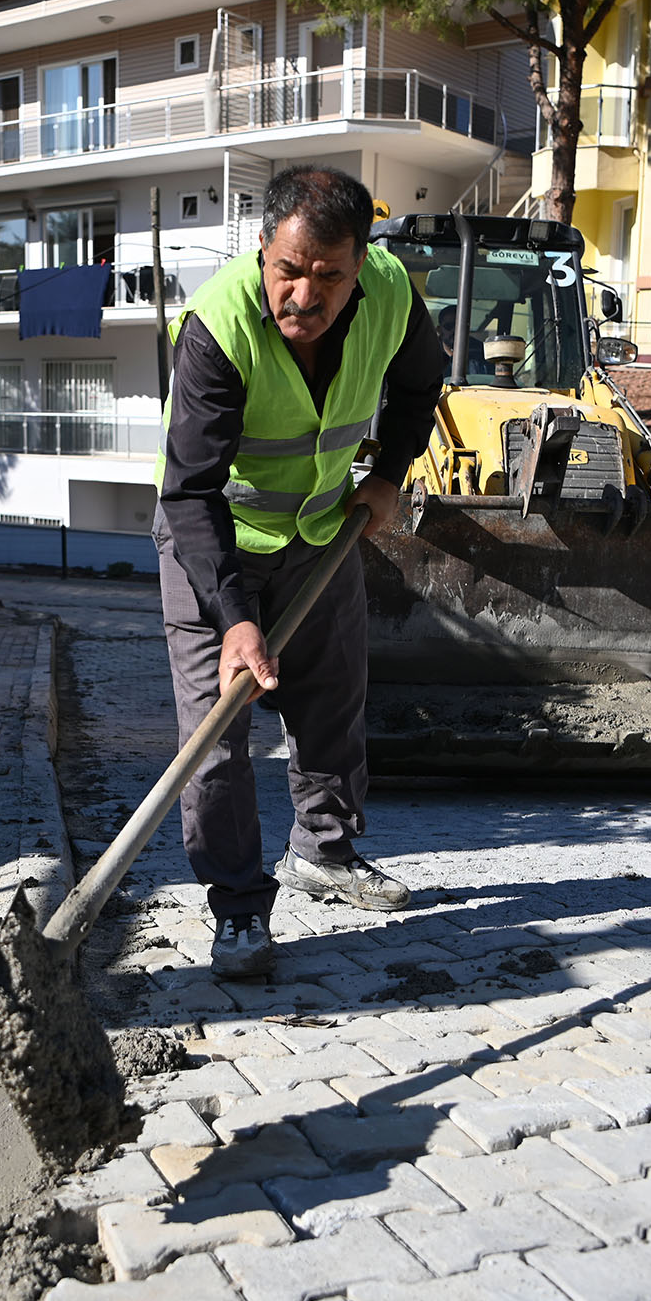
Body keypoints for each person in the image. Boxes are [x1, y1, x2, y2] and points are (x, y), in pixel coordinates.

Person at [154, 165, 443, 978]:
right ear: (261, 250)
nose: (304, 296)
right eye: (287, 270)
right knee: (217, 735)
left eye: (328, 276)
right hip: (212, 542)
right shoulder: (217, 328)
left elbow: (422, 381)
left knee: (332, 700)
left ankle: (325, 851)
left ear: (359, 265)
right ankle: (240, 908)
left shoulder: (389, 292)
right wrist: (236, 617)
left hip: (319, 530)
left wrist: (389, 471)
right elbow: (192, 488)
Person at [437, 304, 486, 376]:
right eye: (449, 326)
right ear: (439, 330)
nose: (454, 331)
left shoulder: (481, 351)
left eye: (459, 326)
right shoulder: (431, 354)